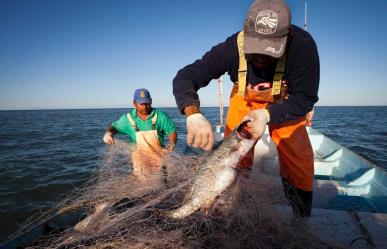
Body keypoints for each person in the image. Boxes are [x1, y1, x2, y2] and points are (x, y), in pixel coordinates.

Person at [173, 0, 319, 218]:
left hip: (285, 104)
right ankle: (226, 207)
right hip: (245, 100)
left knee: (298, 157)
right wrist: (192, 113)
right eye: (255, 49)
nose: (260, 59)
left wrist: (267, 115)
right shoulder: (230, 48)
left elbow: (305, 98)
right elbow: (185, 77)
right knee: (234, 157)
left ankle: (301, 219)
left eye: (269, 51)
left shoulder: (302, 47)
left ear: (286, 39)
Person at [103, 88, 177, 180]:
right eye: (141, 103)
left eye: (147, 103)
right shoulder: (127, 119)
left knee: (162, 179)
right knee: (143, 180)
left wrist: (172, 143)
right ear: (134, 103)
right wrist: (109, 133)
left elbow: (171, 131)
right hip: (139, 156)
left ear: (151, 102)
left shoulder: (160, 116)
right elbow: (114, 127)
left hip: (159, 154)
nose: (145, 107)